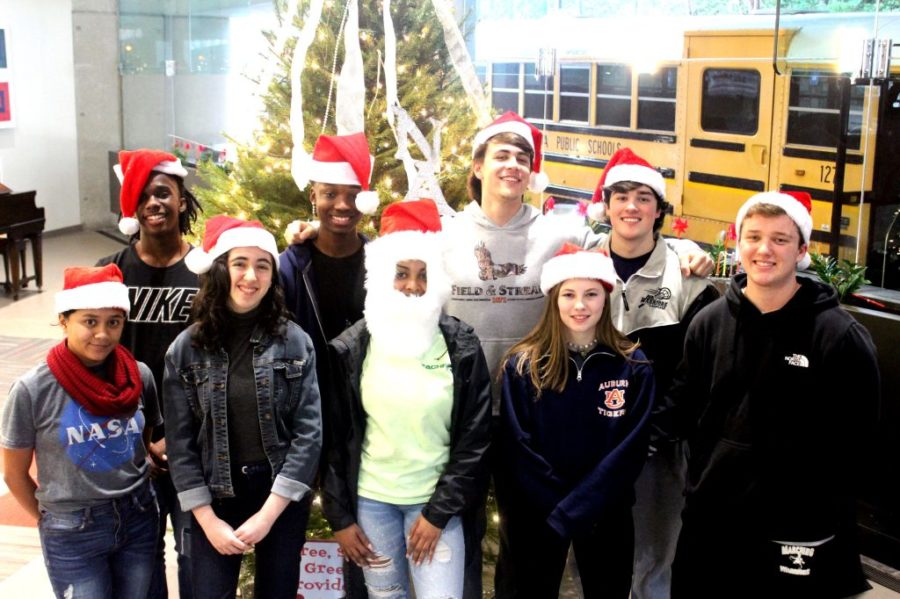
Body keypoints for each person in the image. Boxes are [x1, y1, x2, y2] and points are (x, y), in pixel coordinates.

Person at [665, 191, 880, 598]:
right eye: (753, 237)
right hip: (712, 521)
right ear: (737, 243)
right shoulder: (708, 324)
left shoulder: (839, 337)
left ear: (802, 250)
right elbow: (682, 410)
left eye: (780, 239)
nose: (764, 250)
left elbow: (858, 445)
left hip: (798, 529)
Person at [322, 199, 491, 598]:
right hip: (372, 504)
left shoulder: (461, 346)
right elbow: (332, 441)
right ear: (382, 275)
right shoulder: (350, 349)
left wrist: (437, 514)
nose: (413, 286)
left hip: (436, 506)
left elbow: (475, 440)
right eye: (401, 273)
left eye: (423, 274)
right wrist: (340, 518)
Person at [584, 147, 719, 599]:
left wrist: (657, 430)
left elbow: (697, 370)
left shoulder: (686, 276)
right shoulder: (581, 264)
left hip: (658, 444)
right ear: (606, 206)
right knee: (596, 552)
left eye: (643, 198)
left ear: (659, 211)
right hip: (589, 440)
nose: (631, 207)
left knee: (655, 554)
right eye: (620, 196)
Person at [164, 216, 322, 599]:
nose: (251, 276)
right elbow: (180, 445)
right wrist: (207, 520)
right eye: (240, 263)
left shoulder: (295, 342)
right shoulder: (186, 349)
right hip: (214, 497)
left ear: (272, 276)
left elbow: (309, 434)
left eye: (262, 265)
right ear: (221, 269)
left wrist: (269, 515)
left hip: (278, 496)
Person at [494, 243, 655, 598]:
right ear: (554, 299)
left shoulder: (633, 366)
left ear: (606, 298)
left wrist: (583, 505)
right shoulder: (523, 365)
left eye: (591, 294)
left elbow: (630, 449)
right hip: (538, 513)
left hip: (605, 511)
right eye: (569, 294)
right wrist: (559, 509)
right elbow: (517, 446)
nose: (580, 305)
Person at [1, 264, 161, 599]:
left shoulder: (139, 376)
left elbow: (140, 444)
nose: (102, 334)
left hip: (138, 516)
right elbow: (15, 474)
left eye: (113, 322)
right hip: (73, 529)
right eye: (90, 321)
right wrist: (53, 521)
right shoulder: (33, 389)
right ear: (64, 320)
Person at [97, 148, 202, 599]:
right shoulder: (111, 271)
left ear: (181, 200)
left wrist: (176, 436)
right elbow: (95, 359)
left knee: (194, 553)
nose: (153, 203)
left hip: (193, 439)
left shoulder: (207, 271)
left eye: (163, 193)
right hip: (128, 437)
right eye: (142, 196)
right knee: (143, 557)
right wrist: (142, 436)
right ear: (132, 208)